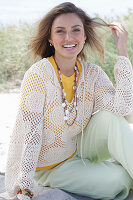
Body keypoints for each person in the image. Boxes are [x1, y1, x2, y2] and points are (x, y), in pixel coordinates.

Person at [5, 2, 133, 200]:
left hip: (78, 147)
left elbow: (123, 106)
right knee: (118, 180)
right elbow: (30, 137)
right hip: (50, 168)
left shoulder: (92, 74)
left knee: (113, 118)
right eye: (60, 31)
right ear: (50, 38)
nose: (69, 38)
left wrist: (122, 51)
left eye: (76, 30)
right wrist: (25, 189)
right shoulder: (38, 75)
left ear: (84, 36)